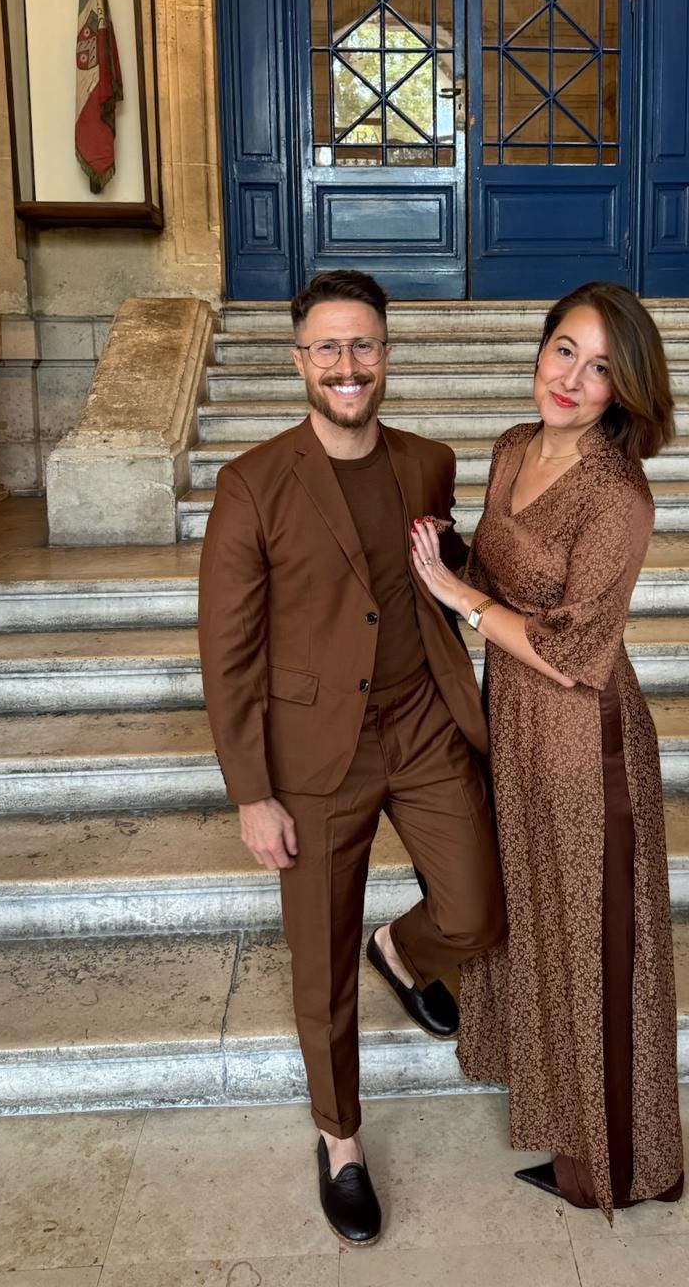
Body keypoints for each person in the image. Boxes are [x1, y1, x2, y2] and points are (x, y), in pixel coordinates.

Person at [198, 269, 506, 1248]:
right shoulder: (252, 483)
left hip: (419, 723)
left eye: (362, 345)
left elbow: (435, 576)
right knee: (318, 970)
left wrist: (454, 575)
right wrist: (253, 792)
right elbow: (227, 650)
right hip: (311, 753)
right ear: (299, 361)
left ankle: (402, 950)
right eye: (327, 347)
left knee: (477, 903)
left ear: (386, 353)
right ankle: (340, 1141)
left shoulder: (427, 463)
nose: (347, 364)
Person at [410, 281, 684, 1220]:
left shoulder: (619, 496)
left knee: (594, 940)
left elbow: (570, 650)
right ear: (540, 349)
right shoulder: (510, 447)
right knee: (533, 921)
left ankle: (617, 1162)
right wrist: (447, 557)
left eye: (602, 367)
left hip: (583, 741)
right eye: (565, 349)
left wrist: (461, 598)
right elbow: (493, 573)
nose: (573, 378)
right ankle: (562, 1112)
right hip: (511, 726)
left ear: (625, 389)